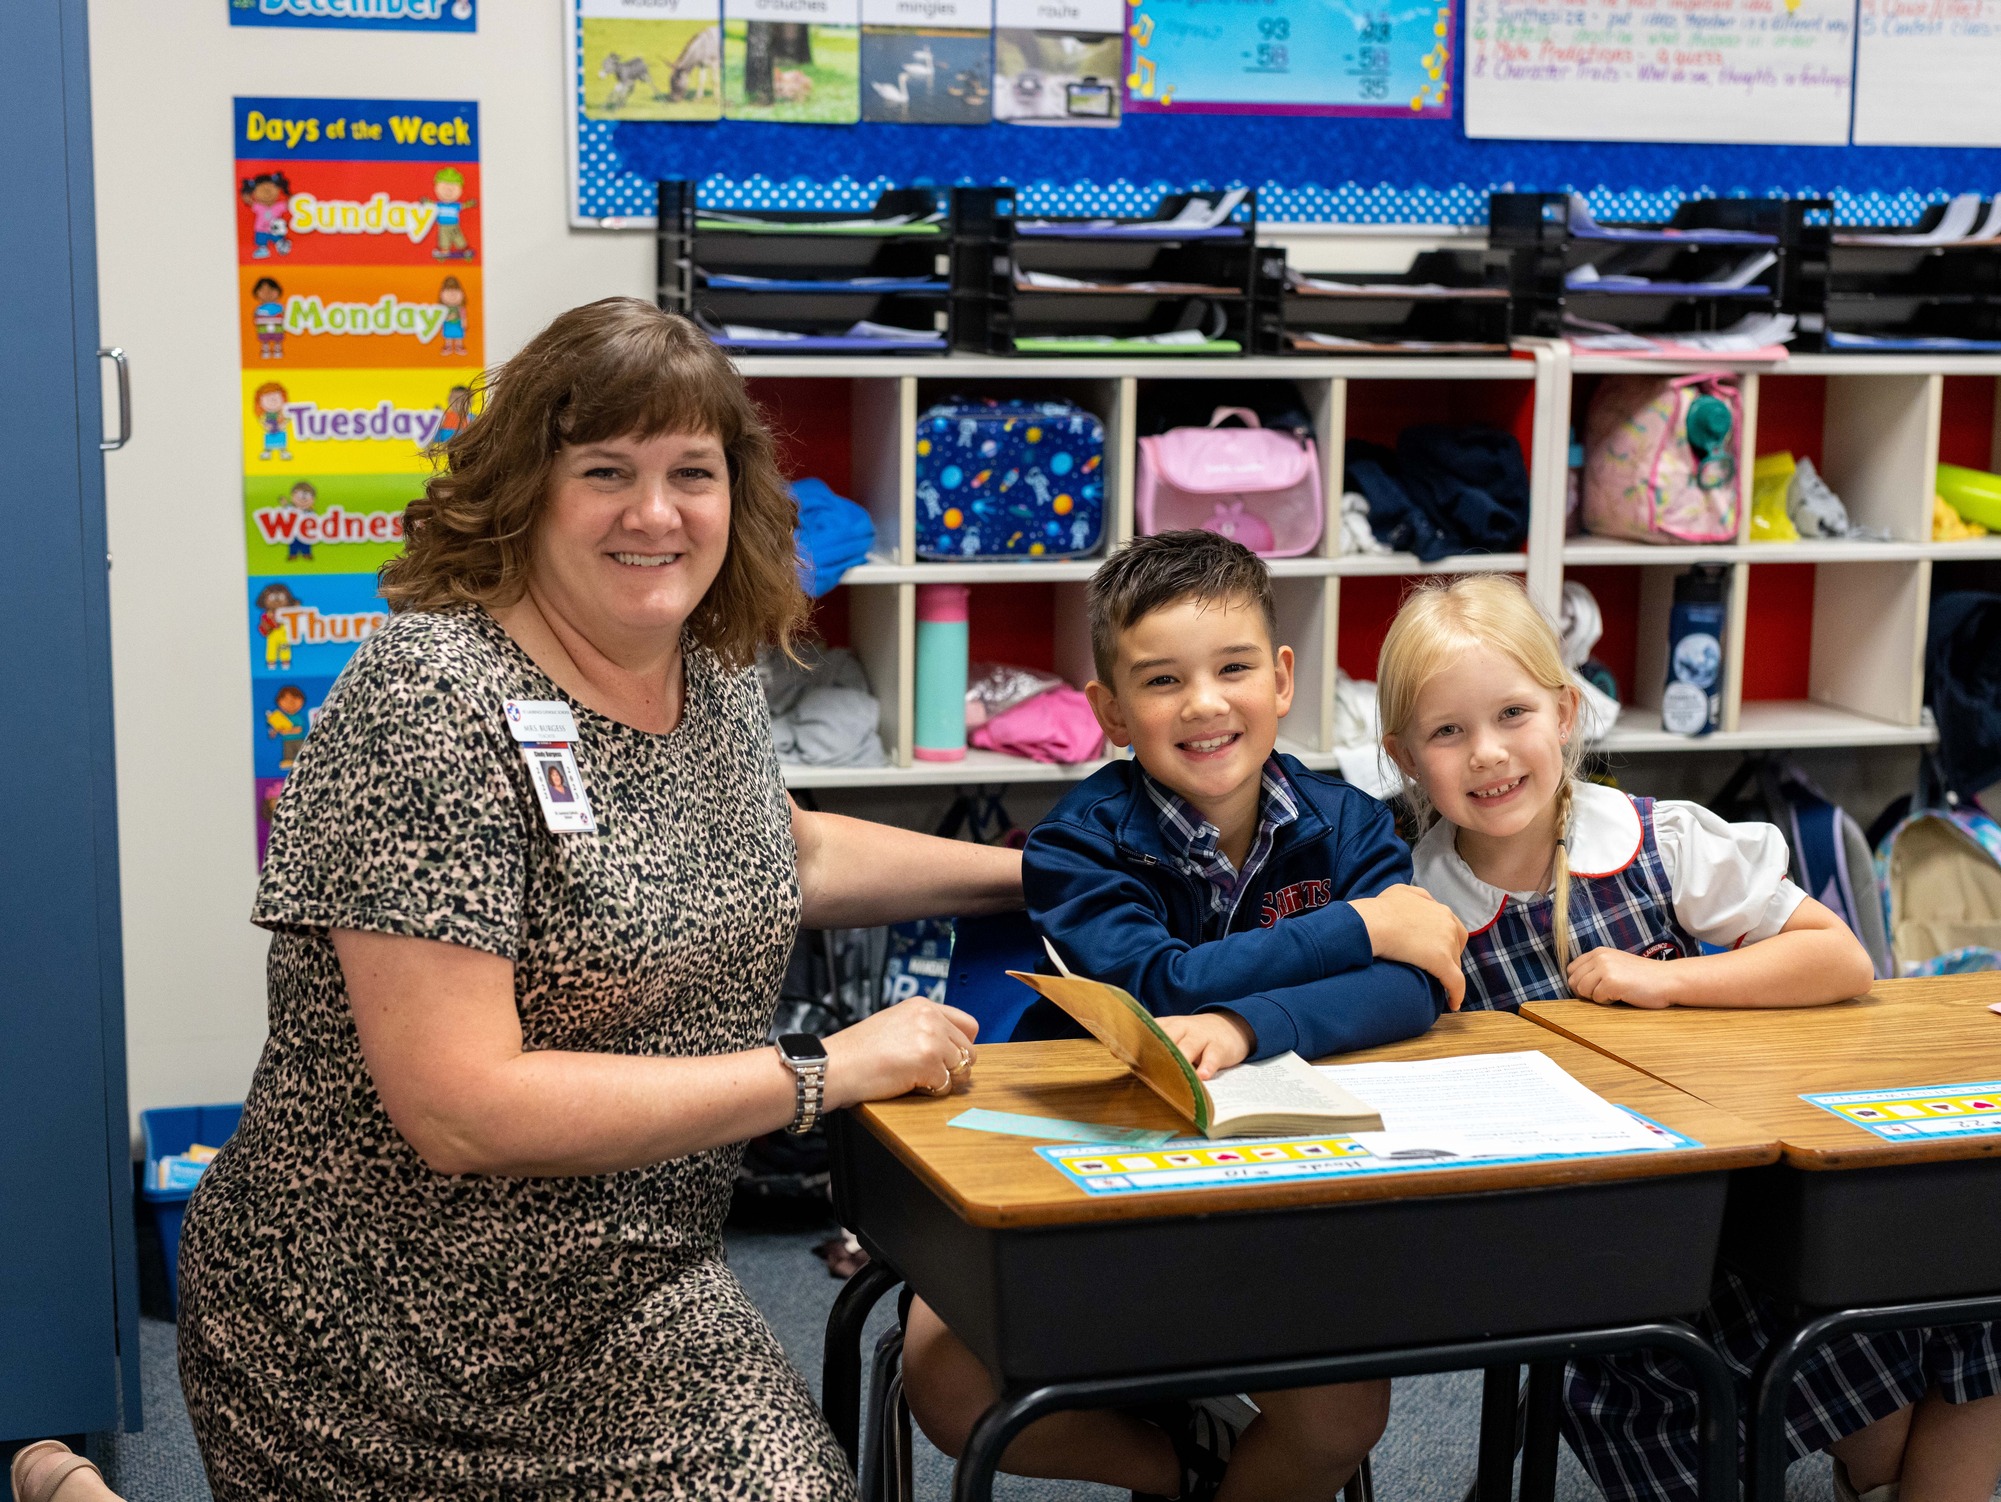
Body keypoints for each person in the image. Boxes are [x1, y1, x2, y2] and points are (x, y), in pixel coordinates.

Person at [176, 297, 1020, 1501]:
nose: (656, 512)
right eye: (606, 470)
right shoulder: (428, 702)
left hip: (628, 1292)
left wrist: (1040, 869)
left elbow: (780, 856)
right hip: (369, 1323)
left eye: (692, 470)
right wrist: (822, 1069)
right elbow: (464, 1107)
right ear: (525, 488)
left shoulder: (707, 670)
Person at [1376, 573, 2001, 1502]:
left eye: (1512, 714)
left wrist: (1667, 980)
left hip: (1754, 1222)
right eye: (1447, 732)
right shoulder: (1413, 906)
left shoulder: (1655, 840)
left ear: (1564, 711)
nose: (1489, 753)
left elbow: (1840, 964)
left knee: (1957, 1313)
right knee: (1875, 1396)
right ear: (1403, 756)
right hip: (1605, 1271)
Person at [901, 531, 1466, 1502]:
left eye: (1234, 667)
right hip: (1081, 1179)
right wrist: (1360, 924)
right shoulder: (1073, 843)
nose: (1204, 703)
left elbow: (1413, 987)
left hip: (1285, 1184)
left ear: (1284, 678)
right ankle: (1181, 1467)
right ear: (1112, 710)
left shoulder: (1355, 824)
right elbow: (1161, 984)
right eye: (1163, 681)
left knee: (1344, 1412)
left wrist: (1248, 1027)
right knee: (947, 1379)